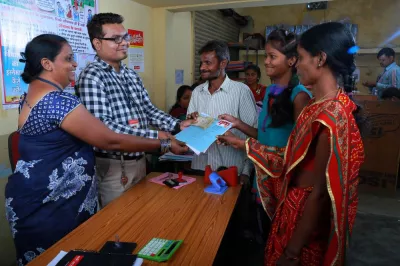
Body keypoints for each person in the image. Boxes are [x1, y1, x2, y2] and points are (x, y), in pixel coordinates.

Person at [5, 34, 188, 266]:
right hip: (54, 206)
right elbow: (109, 140)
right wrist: (163, 143)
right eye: (68, 58)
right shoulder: (58, 102)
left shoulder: (30, 96)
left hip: (31, 198)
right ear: (47, 64)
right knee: (64, 257)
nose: (75, 64)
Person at [219, 22, 365, 265]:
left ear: (320, 59)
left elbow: (319, 194)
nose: (297, 63)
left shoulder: (331, 116)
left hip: (304, 223)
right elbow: (291, 160)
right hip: (291, 210)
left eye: (301, 57)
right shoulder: (318, 106)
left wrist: (291, 252)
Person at [78, 13, 193, 207]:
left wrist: (178, 124)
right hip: (114, 166)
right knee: (119, 223)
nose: (124, 43)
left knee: (140, 216)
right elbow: (105, 128)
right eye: (116, 39)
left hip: (140, 159)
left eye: (126, 37)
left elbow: (148, 110)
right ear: (97, 44)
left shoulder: (130, 74)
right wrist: (158, 137)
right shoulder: (91, 76)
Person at [219, 29, 311, 242]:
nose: (266, 62)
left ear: (291, 61)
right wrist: (237, 123)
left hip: (285, 183)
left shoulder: (299, 97)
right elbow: (264, 136)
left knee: (282, 237)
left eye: (272, 57)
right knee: (267, 236)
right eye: (266, 56)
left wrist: (243, 145)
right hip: (263, 179)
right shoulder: (270, 92)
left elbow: (298, 151)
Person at [187, 40, 257, 184]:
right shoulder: (197, 92)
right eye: (201, 63)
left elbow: (253, 135)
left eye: (208, 63)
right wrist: (190, 122)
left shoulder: (241, 92)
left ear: (223, 63)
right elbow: (191, 132)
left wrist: (246, 172)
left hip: (231, 171)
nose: (202, 68)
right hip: (200, 169)